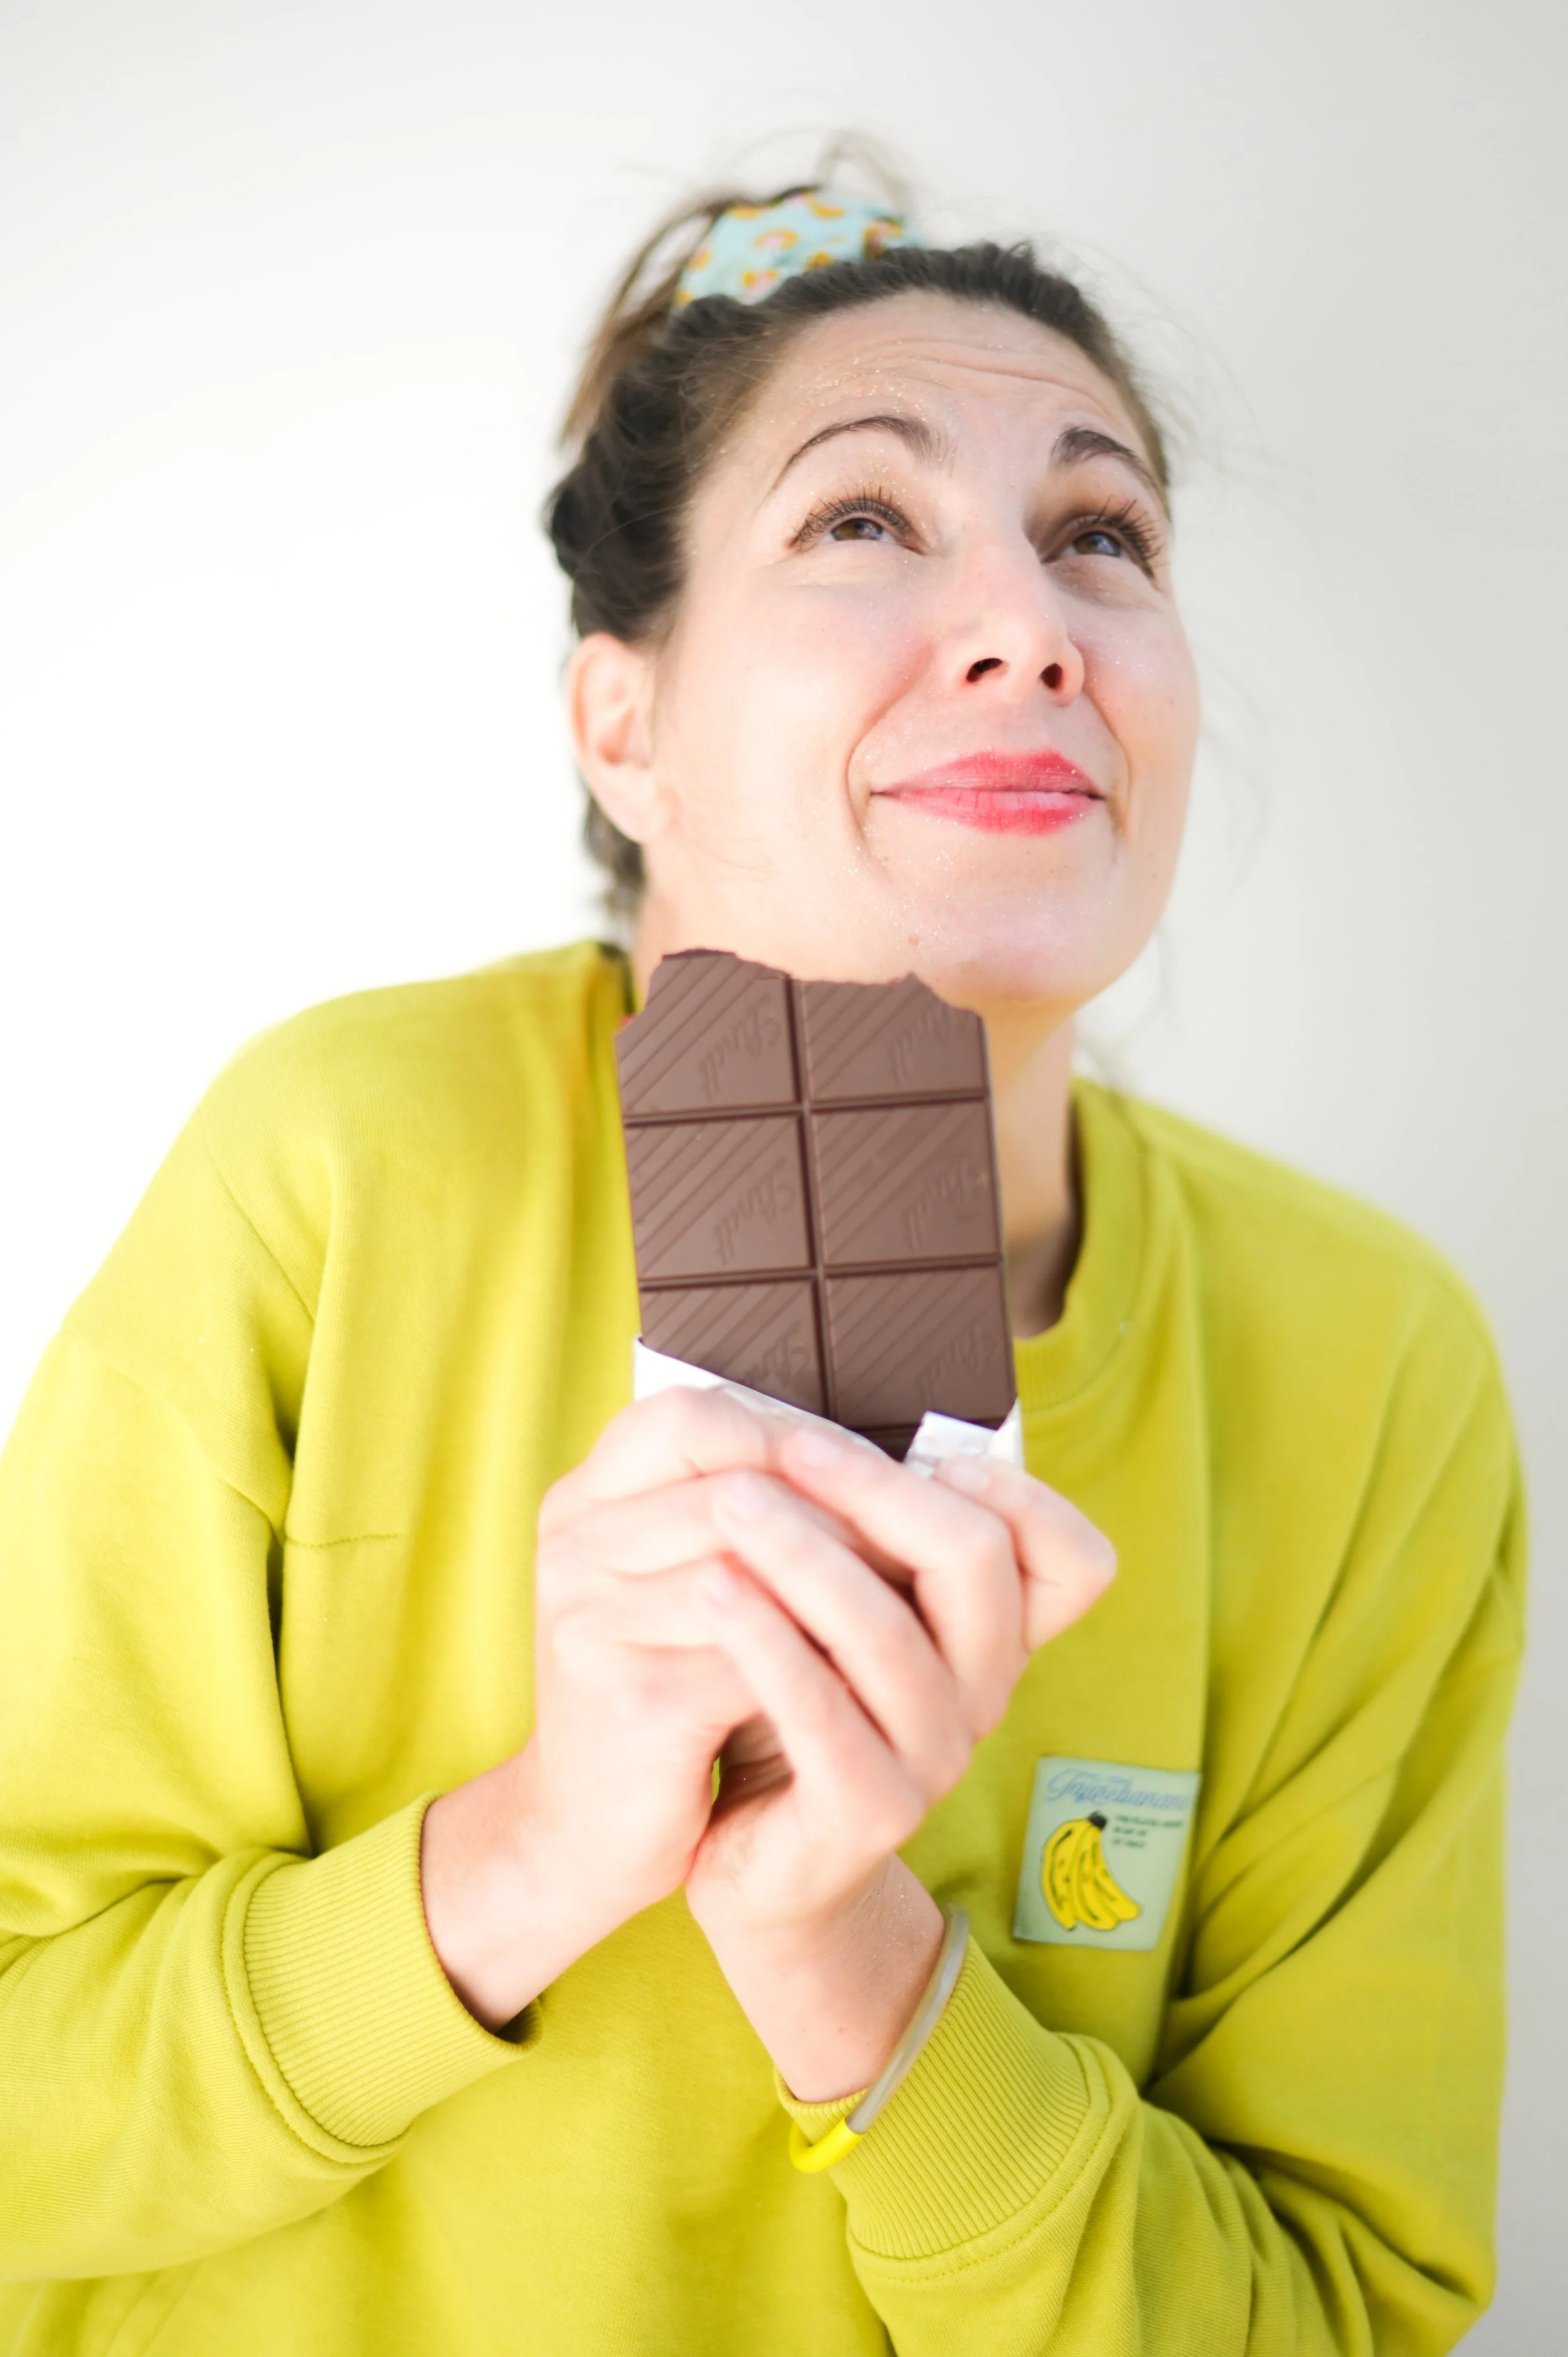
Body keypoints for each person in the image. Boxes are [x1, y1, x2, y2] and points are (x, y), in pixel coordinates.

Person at [0, 179, 1523, 2357]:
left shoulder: (1364, 1364)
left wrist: (851, 1962)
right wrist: (530, 1849)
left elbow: (1327, 2311)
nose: (1028, 626)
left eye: (1098, 534)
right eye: (863, 520)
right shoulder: (344, 1163)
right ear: (622, 725)